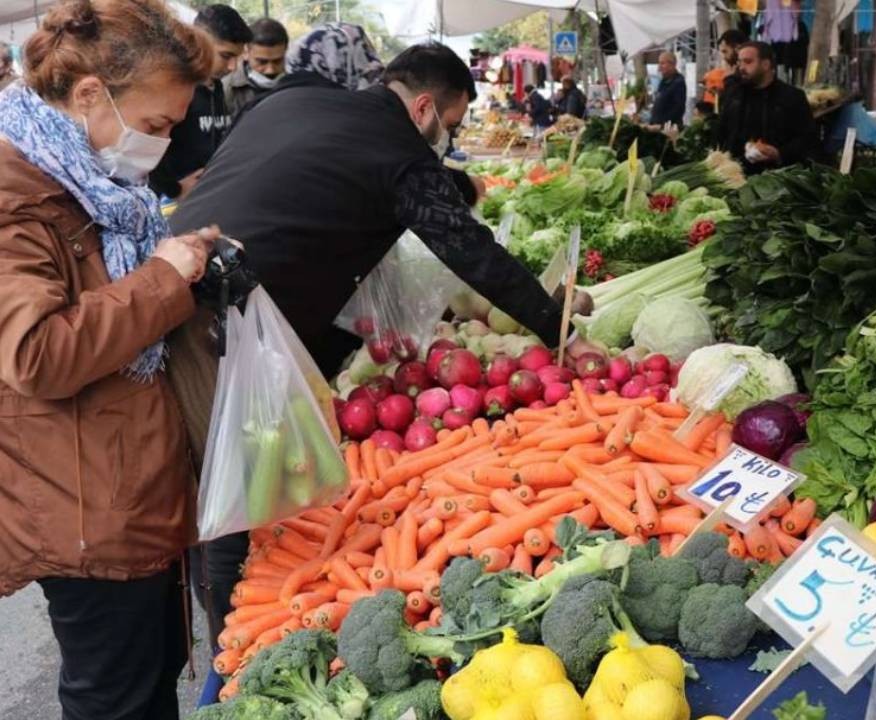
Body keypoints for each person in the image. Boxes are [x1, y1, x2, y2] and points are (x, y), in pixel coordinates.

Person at [170, 43, 587, 647]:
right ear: (423, 108)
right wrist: (558, 326)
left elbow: (319, 170)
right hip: (221, 321)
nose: (448, 138)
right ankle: (232, 650)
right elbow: (470, 251)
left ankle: (223, 619)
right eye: (452, 125)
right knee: (236, 488)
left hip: (169, 278)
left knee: (202, 481)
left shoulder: (298, 98)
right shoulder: (397, 151)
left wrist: (452, 183)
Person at [0, 0, 222, 717]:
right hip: (83, 503)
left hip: (129, 484)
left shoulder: (92, 180)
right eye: (155, 126)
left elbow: (110, 293)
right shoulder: (17, 193)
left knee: (148, 682)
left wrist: (190, 270)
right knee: (116, 697)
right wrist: (164, 278)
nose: (160, 145)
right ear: (91, 94)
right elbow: (36, 353)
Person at [148, 3, 249, 200]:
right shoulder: (172, 87)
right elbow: (145, 148)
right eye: (226, 56)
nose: (233, 67)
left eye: (237, 57)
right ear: (198, 40)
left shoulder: (217, 87)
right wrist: (174, 189)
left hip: (207, 197)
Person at [718, 41, 817, 174]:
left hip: (776, 178)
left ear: (765, 64)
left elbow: (807, 138)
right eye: (740, 62)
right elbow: (722, 132)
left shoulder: (792, 97)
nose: (741, 67)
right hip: (735, 175)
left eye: (748, 62)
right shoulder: (733, 94)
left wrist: (778, 153)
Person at [223, 17, 288, 117]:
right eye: (262, 62)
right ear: (246, 53)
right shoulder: (228, 89)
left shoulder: (296, 85)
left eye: (277, 61)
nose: (270, 70)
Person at [703, 29, 746, 105]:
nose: (723, 57)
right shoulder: (735, 70)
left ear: (737, 48)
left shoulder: (746, 71)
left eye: (725, 51)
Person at [648, 51, 686, 128]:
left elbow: (678, 109)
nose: (659, 67)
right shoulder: (664, 81)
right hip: (656, 128)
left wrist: (661, 125)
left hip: (668, 129)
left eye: (662, 63)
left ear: (672, 64)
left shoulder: (678, 82)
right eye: (659, 63)